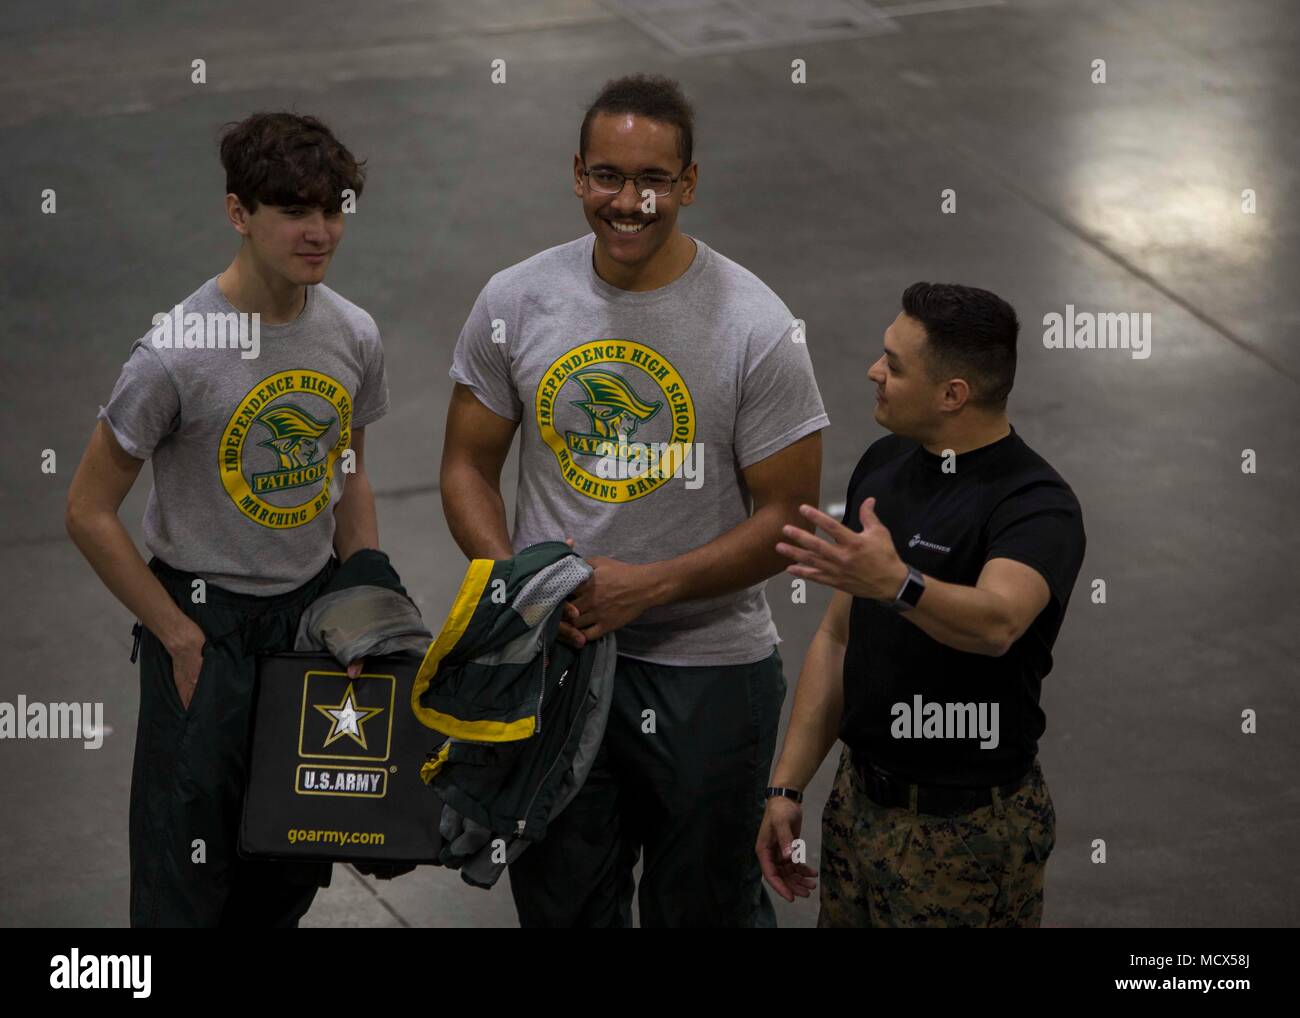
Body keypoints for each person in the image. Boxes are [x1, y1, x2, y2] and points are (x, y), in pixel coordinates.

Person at [441, 74, 831, 927]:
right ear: (577, 174)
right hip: (558, 666)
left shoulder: (756, 328)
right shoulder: (517, 300)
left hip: (709, 676)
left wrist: (645, 588)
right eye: (608, 176)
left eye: (653, 179)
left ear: (689, 183)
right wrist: (520, 589)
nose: (630, 201)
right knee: (562, 910)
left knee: (707, 913)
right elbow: (467, 465)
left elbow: (789, 521)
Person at [65, 111, 389, 927]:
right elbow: (87, 510)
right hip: (203, 625)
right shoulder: (175, 352)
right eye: (294, 212)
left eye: (334, 209)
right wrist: (176, 636)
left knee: (288, 862)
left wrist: (364, 604)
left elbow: (345, 468)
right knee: (184, 875)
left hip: (309, 623)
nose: (320, 232)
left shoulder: (351, 334)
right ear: (239, 213)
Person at [760, 282, 1085, 927]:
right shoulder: (884, 465)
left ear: (952, 394)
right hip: (860, 804)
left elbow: (998, 622)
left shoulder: (1034, 504)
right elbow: (838, 637)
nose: (873, 371)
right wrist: (787, 786)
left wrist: (898, 584)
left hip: (966, 829)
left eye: (894, 364)